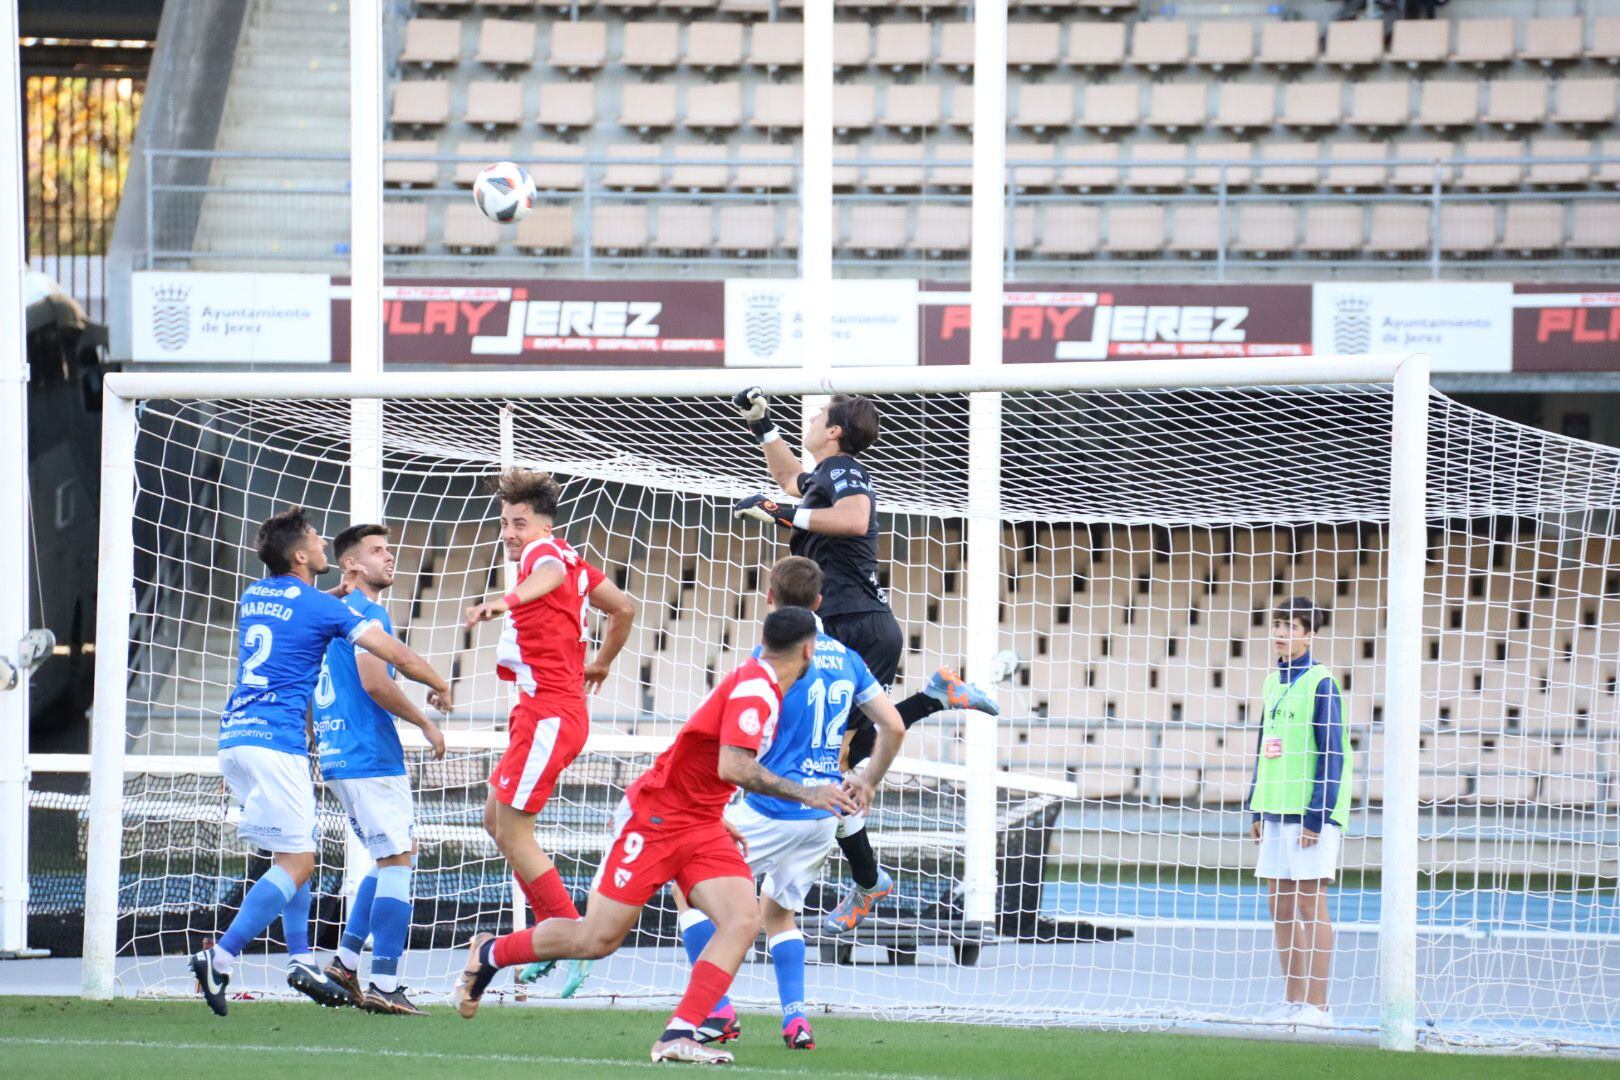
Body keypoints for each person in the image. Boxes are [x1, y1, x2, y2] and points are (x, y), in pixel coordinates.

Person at [451, 607, 861, 1065]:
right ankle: (491, 953)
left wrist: (713, 811)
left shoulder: (762, 684)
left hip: (700, 821)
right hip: (657, 820)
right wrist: (809, 793)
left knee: (744, 919)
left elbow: (702, 757)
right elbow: (733, 766)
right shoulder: (758, 692)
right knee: (597, 939)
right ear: (808, 651)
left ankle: (679, 1033)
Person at [730, 387, 998, 935]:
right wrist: (764, 427)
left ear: (834, 432)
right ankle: (934, 698)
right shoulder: (826, 474)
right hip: (856, 624)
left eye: (815, 418)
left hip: (850, 624)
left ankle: (868, 884)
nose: (809, 421)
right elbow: (789, 481)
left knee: (830, 763)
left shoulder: (847, 472)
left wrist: (782, 514)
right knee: (835, 761)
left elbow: (852, 519)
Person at [190, 507, 451, 1017]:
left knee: (294, 853)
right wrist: (438, 687)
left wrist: (339, 594)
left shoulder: (253, 596)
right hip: (283, 741)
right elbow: (393, 661)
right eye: (314, 538)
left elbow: (307, 608)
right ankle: (220, 958)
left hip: (235, 738)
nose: (320, 543)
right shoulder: (335, 613)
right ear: (301, 555)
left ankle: (303, 958)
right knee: (307, 860)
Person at [672, 556, 905, 1050]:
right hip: (823, 817)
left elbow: (735, 748)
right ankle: (796, 1020)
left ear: (770, 600)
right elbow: (894, 725)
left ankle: (715, 1009)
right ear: (821, 602)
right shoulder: (847, 658)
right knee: (777, 913)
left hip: (770, 808)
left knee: (686, 887)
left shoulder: (770, 661)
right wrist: (867, 781)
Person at [463, 468, 636, 998]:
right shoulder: (574, 558)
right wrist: (602, 662)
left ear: (541, 523)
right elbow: (625, 608)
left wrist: (505, 601)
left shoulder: (544, 555)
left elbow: (549, 578)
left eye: (518, 523)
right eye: (504, 523)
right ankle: (554, 931)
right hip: (543, 711)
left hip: (549, 715)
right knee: (497, 819)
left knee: (513, 831)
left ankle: (569, 937)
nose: (509, 533)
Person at [310, 523, 447, 1015]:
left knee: (390, 854)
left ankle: (345, 964)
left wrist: (313, 736)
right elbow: (375, 681)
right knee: (398, 862)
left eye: (388, 549)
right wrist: (426, 722)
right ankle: (385, 982)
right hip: (369, 752)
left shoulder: (325, 615)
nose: (389, 557)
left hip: (338, 752)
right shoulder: (368, 614)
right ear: (351, 564)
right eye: (377, 551)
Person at [1248, 597, 1352, 1029]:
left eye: (1291, 626)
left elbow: (1333, 753)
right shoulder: (1273, 681)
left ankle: (1318, 1007)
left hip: (1309, 814)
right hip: (1273, 809)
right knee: (1281, 907)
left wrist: (1317, 814)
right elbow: (1263, 744)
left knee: (1312, 907)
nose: (1281, 632)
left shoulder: (1322, 683)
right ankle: (1291, 1001)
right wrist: (1254, 803)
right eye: (1277, 624)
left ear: (1310, 634)